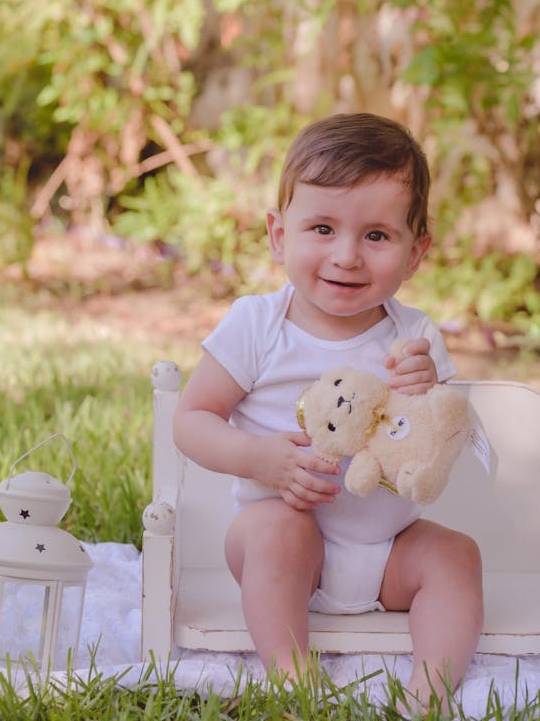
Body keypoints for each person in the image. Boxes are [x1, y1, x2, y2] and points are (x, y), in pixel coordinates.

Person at [172, 112, 483, 708]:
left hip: (387, 551)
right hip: (280, 550)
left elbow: (442, 439)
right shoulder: (257, 325)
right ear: (278, 234)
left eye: (376, 236)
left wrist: (429, 391)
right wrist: (257, 459)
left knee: (455, 555)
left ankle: (429, 694)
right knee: (280, 530)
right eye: (322, 228)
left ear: (416, 252)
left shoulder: (413, 336)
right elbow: (191, 421)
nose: (347, 256)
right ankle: (295, 681)